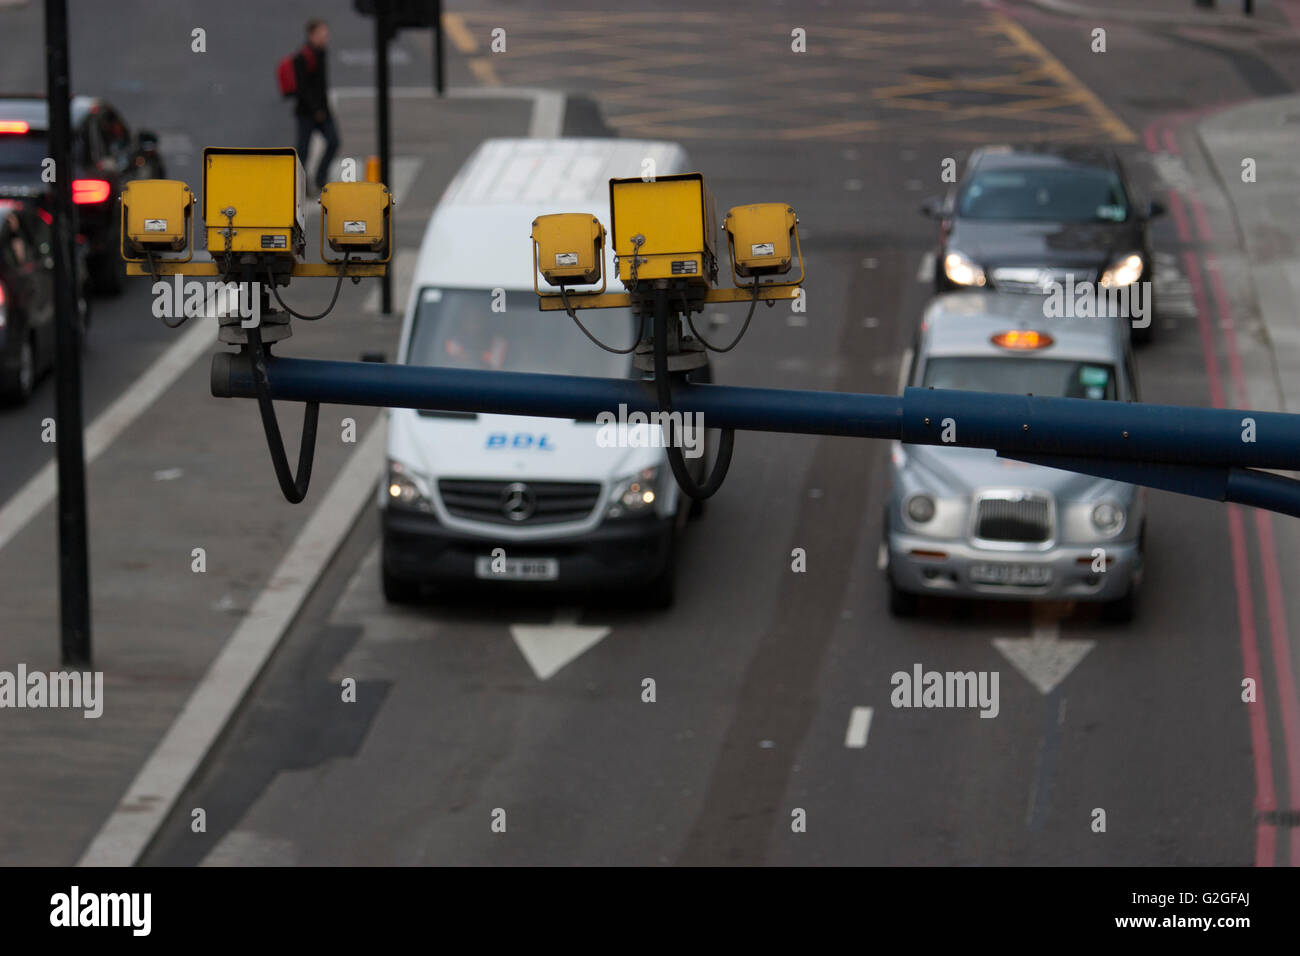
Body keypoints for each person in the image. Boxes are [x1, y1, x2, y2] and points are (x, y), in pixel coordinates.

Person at [293, 19, 338, 194]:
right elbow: (303, 88)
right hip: (307, 113)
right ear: (312, 35)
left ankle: (320, 178)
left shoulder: (321, 53)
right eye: (322, 34)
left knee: (334, 141)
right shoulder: (303, 57)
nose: (326, 38)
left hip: (323, 111)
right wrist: (316, 109)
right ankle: (302, 185)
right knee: (303, 151)